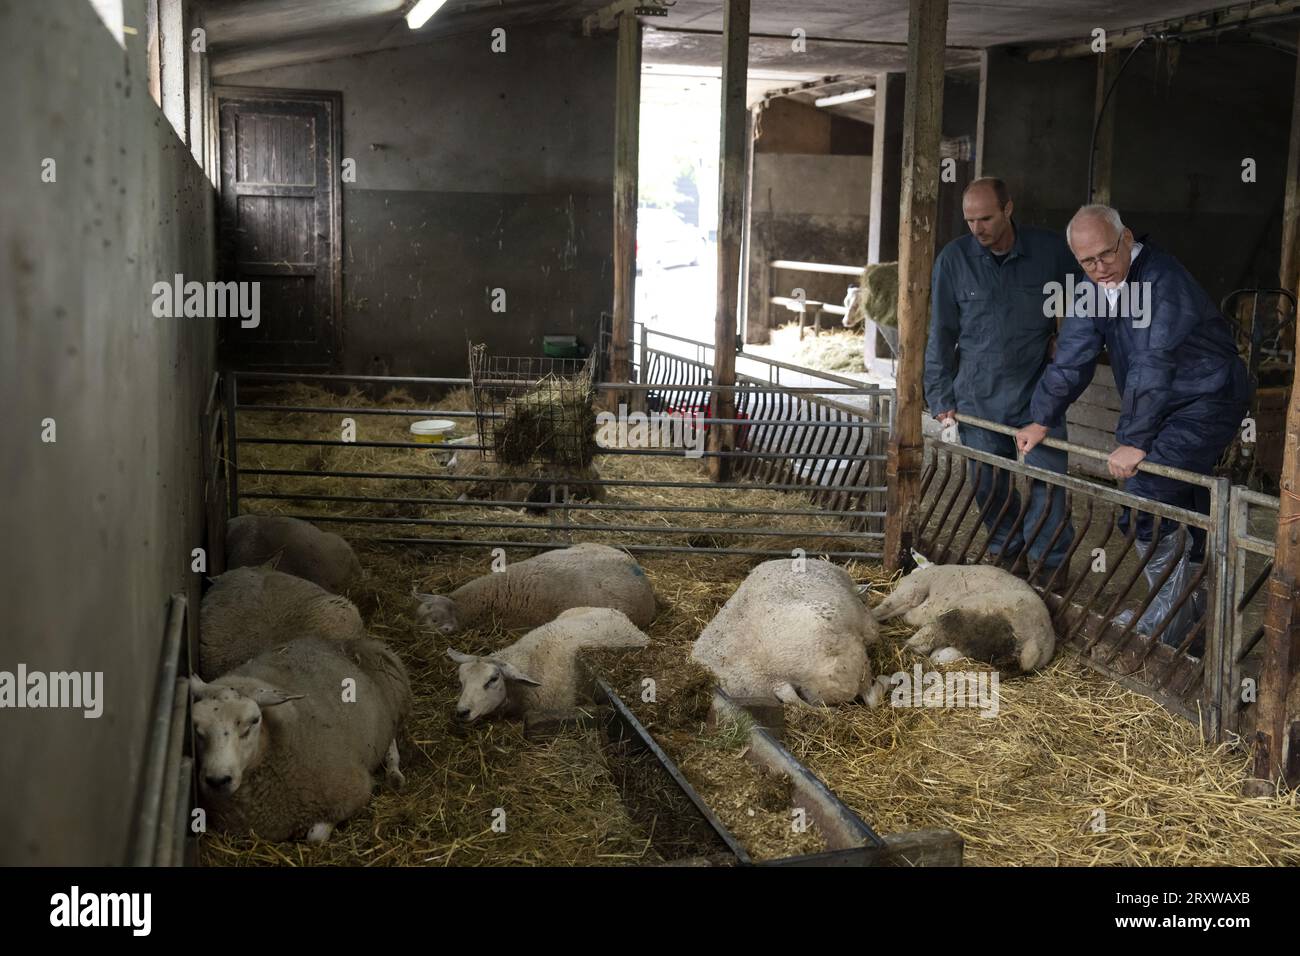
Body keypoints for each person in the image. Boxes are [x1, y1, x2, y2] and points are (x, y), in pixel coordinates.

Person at [1016, 204, 1250, 652]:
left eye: (1106, 254)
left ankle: (1170, 616)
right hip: (1161, 402)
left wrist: (1133, 441)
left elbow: (1151, 361)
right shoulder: (1093, 286)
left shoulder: (1162, 280)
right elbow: (1073, 355)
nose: (1099, 268)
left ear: (1126, 239)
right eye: (1087, 261)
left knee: (1147, 493)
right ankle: (1193, 618)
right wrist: (1041, 417)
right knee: (1185, 504)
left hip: (1207, 397)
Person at [925, 177, 1078, 570]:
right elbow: (941, 332)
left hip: (1039, 397)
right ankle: (1008, 554)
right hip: (978, 394)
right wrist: (940, 397)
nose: (978, 229)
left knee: (1050, 486)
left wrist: (1066, 339)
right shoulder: (953, 260)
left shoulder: (1049, 252)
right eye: (970, 220)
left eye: (987, 218)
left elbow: (1083, 304)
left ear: (1008, 209)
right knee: (989, 487)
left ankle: (1050, 565)